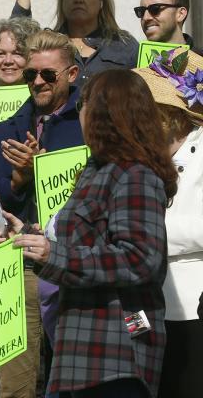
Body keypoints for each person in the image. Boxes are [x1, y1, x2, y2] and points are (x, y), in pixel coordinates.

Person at [12, 69, 177, 398]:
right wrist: (28, 237)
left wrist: (53, 254)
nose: (80, 115)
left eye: (82, 106)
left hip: (117, 350)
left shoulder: (135, 174)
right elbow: (83, 243)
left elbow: (140, 258)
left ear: (104, 113)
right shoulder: (98, 170)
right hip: (83, 348)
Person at [0, 29, 85, 398]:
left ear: (71, 75)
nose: (37, 81)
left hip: (74, 267)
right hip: (21, 268)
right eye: (30, 74)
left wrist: (44, 169)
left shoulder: (90, 123)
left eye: (47, 75)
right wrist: (17, 181)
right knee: (16, 386)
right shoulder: (8, 128)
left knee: (78, 380)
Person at [134, 49, 203, 397]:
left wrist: (144, 238)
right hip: (153, 309)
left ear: (170, 115)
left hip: (194, 309)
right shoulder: (147, 160)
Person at [13, 0, 138, 85]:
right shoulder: (48, 45)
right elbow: (16, 39)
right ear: (62, 1)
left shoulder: (125, 45)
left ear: (101, 1)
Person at [136, 0, 202, 55]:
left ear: (180, 14)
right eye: (141, 11)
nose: (146, 17)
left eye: (155, 8)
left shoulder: (200, 60)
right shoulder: (131, 62)